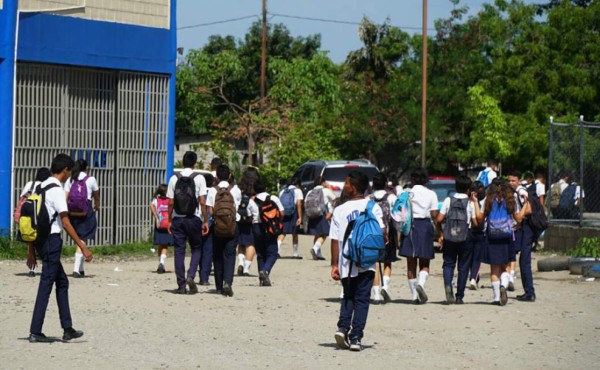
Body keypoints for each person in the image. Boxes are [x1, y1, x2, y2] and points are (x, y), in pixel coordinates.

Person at [28, 153, 93, 343]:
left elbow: (32, 221)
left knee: (62, 282)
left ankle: (67, 328)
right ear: (65, 171)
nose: (69, 175)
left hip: (40, 241)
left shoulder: (40, 186)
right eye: (69, 172)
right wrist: (82, 245)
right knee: (46, 284)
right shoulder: (56, 189)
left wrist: (31, 250)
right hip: (52, 241)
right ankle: (35, 331)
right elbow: (65, 221)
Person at [331, 171, 386, 352]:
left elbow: (334, 240)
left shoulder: (339, 210)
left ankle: (343, 328)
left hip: (346, 262)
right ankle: (356, 338)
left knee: (348, 295)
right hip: (367, 260)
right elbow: (382, 234)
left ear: (352, 187)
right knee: (362, 299)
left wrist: (334, 264)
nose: (344, 186)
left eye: (346, 183)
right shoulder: (373, 207)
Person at [476, 182, 530, 305]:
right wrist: (526, 204)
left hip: (492, 237)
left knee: (494, 268)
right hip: (507, 237)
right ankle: (503, 286)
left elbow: (480, 218)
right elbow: (519, 218)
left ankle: (496, 298)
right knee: (505, 266)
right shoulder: (511, 201)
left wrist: (474, 202)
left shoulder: (488, 201)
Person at [166, 151, 209, 294]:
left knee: (179, 251)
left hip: (178, 219)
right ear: (194, 163)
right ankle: (191, 275)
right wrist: (205, 220)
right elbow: (202, 202)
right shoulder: (200, 178)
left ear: (182, 162)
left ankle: (181, 285)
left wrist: (169, 219)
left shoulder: (173, 178)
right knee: (197, 248)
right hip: (194, 218)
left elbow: (171, 202)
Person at [435, 175, 481, 304]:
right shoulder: (470, 203)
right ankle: (459, 296)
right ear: (468, 189)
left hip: (450, 237)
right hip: (466, 237)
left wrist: (441, 233)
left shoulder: (448, 200)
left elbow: (438, 219)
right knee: (463, 267)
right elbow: (475, 223)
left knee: (448, 264)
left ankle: (448, 285)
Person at [399, 168, 439, 304]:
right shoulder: (431, 194)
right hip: (425, 226)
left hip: (410, 226)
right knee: (425, 262)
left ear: (412, 179)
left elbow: (400, 212)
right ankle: (421, 284)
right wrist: (440, 231)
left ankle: (414, 296)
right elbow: (434, 215)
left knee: (411, 263)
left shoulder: (406, 193)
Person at [207, 165, 242, 296]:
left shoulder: (212, 190)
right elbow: (236, 207)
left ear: (216, 176)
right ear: (229, 176)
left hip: (217, 226)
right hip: (233, 226)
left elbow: (210, 210)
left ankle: (218, 286)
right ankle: (228, 282)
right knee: (230, 254)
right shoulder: (236, 190)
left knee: (217, 255)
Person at [65, 159, 100, 278]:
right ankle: (75, 269)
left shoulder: (71, 179)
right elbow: (96, 195)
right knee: (82, 238)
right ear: (86, 168)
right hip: (85, 211)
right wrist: (97, 205)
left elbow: (66, 196)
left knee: (78, 237)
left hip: (72, 212)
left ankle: (81, 269)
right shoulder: (91, 179)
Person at [247, 176, 284, 286]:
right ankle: (266, 271)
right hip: (270, 227)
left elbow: (249, 216)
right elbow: (282, 213)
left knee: (260, 254)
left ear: (254, 189)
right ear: (266, 188)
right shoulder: (273, 198)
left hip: (257, 227)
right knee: (272, 253)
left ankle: (262, 279)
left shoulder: (251, 201)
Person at [508, 170, 537, 301]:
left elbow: (528, 208)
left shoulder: (521, 191)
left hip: (528, 228)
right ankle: (528, 292)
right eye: (509, 180)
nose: (511, 183)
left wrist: (520, 216)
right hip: (524, 227)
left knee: (524, 261)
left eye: (513, 180)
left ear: (519, 181)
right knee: (522, 260)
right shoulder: (517, 192)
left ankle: (530, 293)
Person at [18, 167, 51, 277]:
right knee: (44, 242)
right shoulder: (46, 186)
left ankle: (31, 268)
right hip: (41, 218)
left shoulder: (30, 184)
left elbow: (22, 199)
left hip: (28, 217)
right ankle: (44, 266)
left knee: (30, 240)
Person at [369, 173, 398, 304]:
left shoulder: (369, 198)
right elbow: (396, 216)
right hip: (387, 232)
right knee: (387, 261)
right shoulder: (391, 197)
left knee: (374, 263)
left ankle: (375, 295)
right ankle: (385, 287)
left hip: (372, 232)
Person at [305, 176, 336, 260]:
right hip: (322, 214)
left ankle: (318, 254)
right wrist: (331, 212)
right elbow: (335, 199)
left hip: (312, 215)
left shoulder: (310, 192)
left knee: (317, 234)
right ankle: (315, 249)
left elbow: (306, 203)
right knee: (324, 234)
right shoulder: (326, 191)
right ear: (323, 182)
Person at [236, 167, 259, 276]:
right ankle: (246, 268)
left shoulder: (240, 187)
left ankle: (240, 262)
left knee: (241, 242)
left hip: (240, 218)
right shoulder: (256, 187)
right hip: (251, 219)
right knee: (251, 243)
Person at [278, 176, 303, 258]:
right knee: (295, 233)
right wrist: (300, 217)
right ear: (297, 184)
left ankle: (277, 249)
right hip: (293, 213)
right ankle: (295, 253)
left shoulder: (282, 191)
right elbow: (299, 204)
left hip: (284, 213)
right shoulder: (298, 190)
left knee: (282, 232)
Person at [149, 184, 173, 274]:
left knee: (160, 244)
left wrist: (156, 217)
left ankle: (160, 262)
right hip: (168, 225)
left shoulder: (156, 200)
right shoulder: (170, 200)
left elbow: (151, 206)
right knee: (165, 245)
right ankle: (162, 263)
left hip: (159, 224)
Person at [467, 180, 486, 290]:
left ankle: (473, 277)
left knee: (470, 257)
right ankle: (473, 278)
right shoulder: (483, 203)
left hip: (468, 232)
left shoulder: (468, 202)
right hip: (479, 232)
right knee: (477, 258)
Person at [198, 173, 215, 285]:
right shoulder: (214, 192)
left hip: (197, 222)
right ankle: (205, 277)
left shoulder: (199, 192)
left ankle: (200, 274)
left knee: (198, 249)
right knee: (208, 250)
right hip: (211, 224)